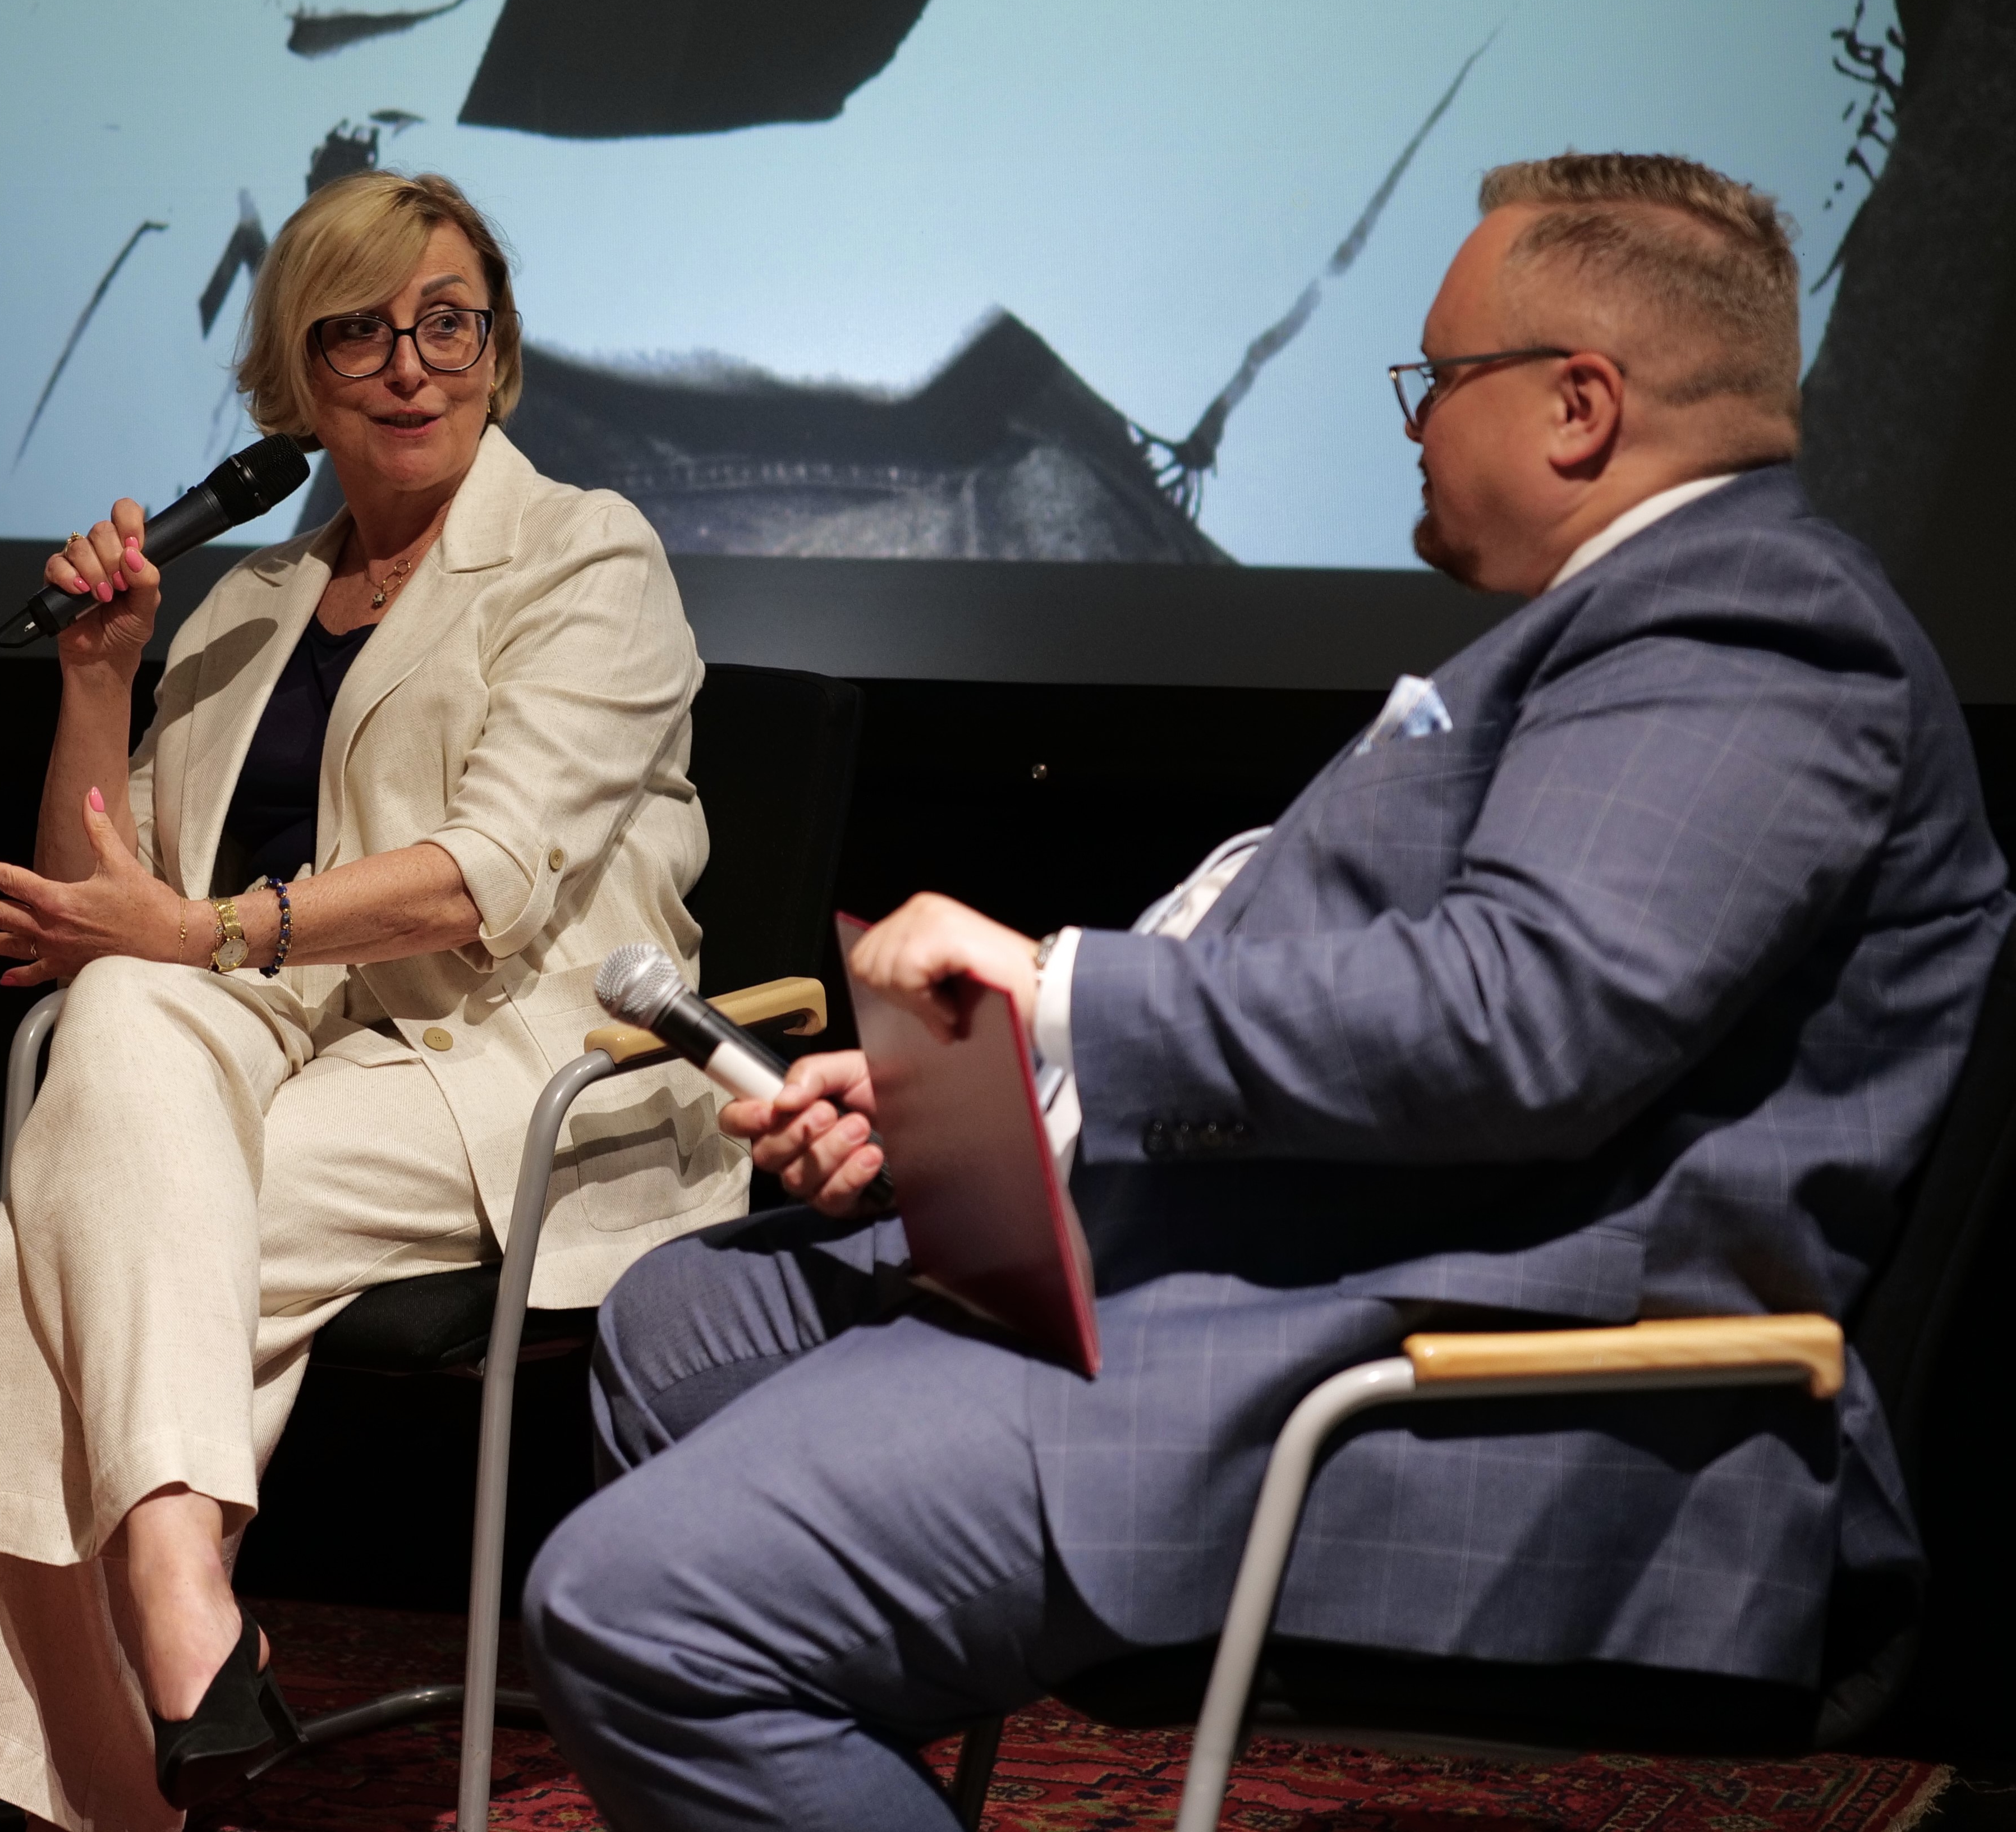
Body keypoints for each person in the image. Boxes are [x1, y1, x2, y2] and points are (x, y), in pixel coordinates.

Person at [521, 152, 2015, 1832]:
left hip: (1429, 1359)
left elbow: (1524, 1020)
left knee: (635, 1613)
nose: (1413, 426)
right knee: (680, 1321)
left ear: (1580, 407)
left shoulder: (1748, 626)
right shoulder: (1619, 628)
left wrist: (1061, 990)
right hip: (1268, 1244)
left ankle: (763, 1648)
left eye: (1438, 380)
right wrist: (995, 1105)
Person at [0, 170, 737, 1830]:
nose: (410, 364)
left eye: (449, 324)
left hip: (519, 1056)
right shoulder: (247, 603)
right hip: (283, 1042)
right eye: (358, 332)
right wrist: (98, 679)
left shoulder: (586, 553)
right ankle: (188, 1625)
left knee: (39, 1253)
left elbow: (483, 876)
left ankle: (78, 1767)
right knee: (119, 1021)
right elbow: (101, 903)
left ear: (499, 352)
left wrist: (206, 929)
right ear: (295, 377)